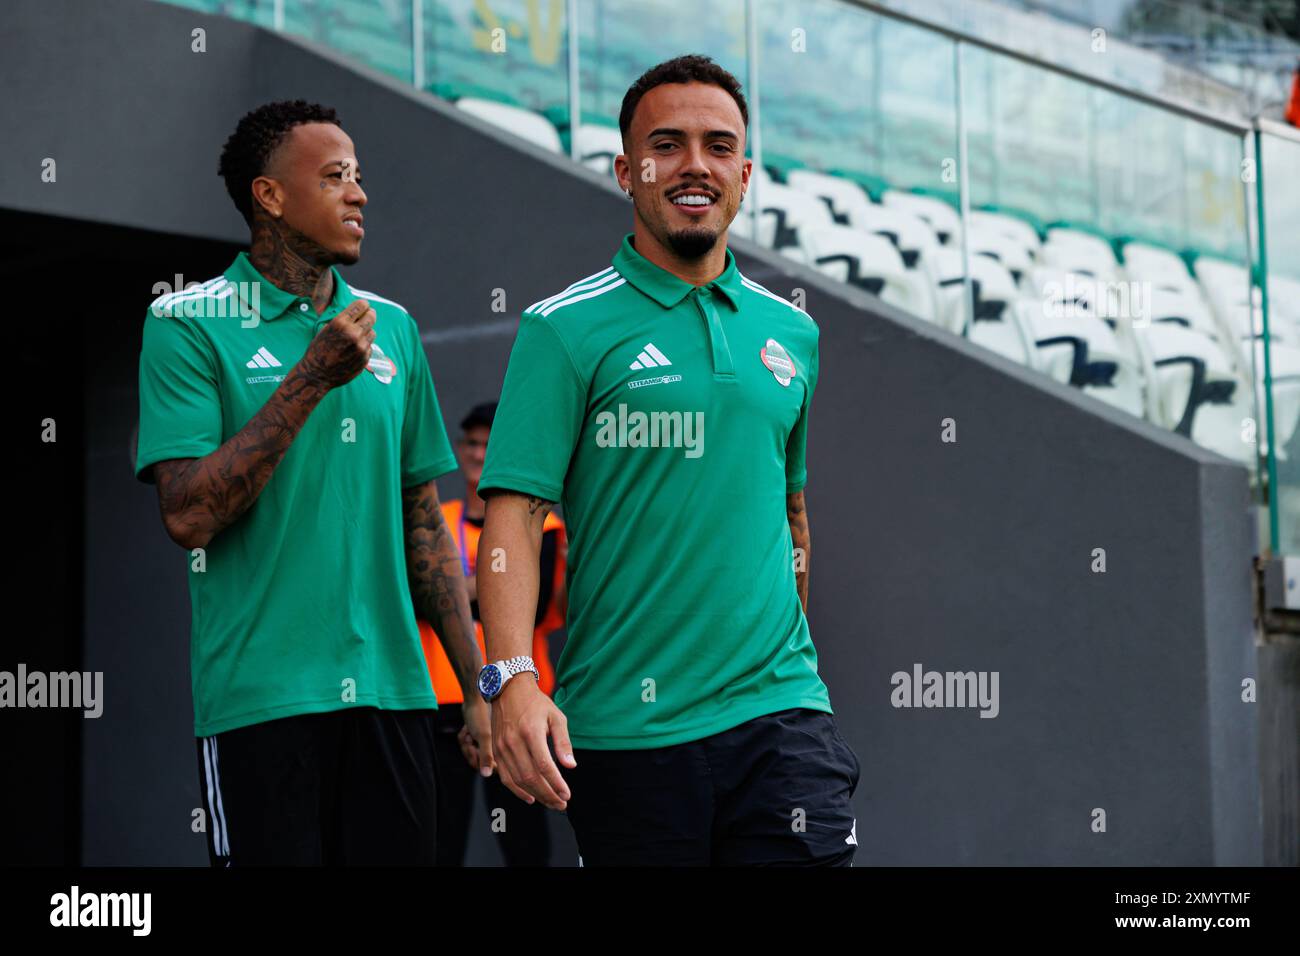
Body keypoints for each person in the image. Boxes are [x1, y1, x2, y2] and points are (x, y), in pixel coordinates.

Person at [475, 55, 860, 866]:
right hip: (626, 732)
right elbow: (513, 514)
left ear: (745, 173)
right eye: (668, 144)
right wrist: (511, 682)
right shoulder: (561, 329)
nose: (695, 165)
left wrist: (785, 655)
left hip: (782, 720)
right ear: (627, 171)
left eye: (719, 146)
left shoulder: (791, 334)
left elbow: (791, 511)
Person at [134, 100, 489, 865]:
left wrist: (478, 687)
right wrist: (310, 378)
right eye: (335, 178)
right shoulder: (185, 322)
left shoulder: (391, 325)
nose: (359, 195)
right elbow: (189, 516)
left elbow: (422, 519)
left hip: (396, 698)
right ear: (270, 197)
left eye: (358, 178)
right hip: (265, 701)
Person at [419, 401, 567, 866]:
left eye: (489, 444)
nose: (480, 454)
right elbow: (418, 597)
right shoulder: (435, 520)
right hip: (443, 699)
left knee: (524, 840)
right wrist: (501, 584)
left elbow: (537, 605)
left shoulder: (543, 525)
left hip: (517, 699)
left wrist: (452, 586)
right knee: (441, 839)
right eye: (473, 444)